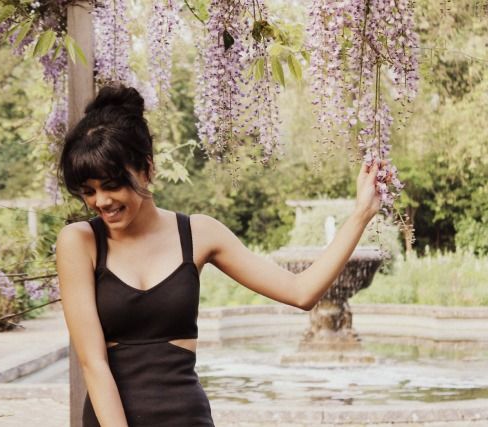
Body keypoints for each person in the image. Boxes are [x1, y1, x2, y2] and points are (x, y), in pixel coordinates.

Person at [55, 84, 382, 427]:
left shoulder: (198, 233)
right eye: (89, 191)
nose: (101, 201)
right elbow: (93, 364)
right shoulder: (80, 242)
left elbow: (302, 292)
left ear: (147, 169)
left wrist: (361, 214)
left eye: (112, 185)